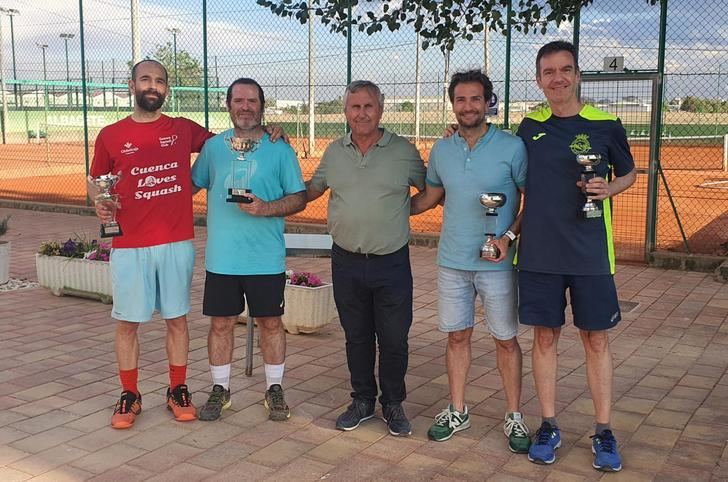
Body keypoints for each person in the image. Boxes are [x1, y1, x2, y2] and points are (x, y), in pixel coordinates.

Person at [516, 41, 636, 471]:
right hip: (538, 253)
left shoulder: (606, 125)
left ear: (578, 75)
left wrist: (609, 189)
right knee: (544, 338)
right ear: (538, 79)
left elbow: (629, 173)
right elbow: (507, 168)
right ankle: (548, 424)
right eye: (549, 72)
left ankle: (604, 430)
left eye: (565, 70)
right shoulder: (529, 127)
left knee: (596, 339)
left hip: (590, 255)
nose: (558, 78)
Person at [410, 70, 530, 451]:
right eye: (460, 100)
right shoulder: (443, 148)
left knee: (506, 340)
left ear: (488, 102)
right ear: (453, 104)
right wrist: (384, 210)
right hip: (452, 261)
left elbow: (532, 199)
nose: (468, 106)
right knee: (457, 336)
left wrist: (509, 238)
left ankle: (514, 416)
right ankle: (458, 410)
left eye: (475, 99)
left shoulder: (512, 147)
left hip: (497, 264)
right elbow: (430, 196)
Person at [91, 60, 213, 429]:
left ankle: (177, 389)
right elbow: (97, 182)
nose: (153, 86)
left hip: (176, 241)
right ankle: (130, 394)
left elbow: (228, 145)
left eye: (160, 80)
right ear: (132, 85)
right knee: (128, 322)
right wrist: (99, 201)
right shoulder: (110, 135)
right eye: (146, 79)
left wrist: (264, 132)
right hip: (129, 245)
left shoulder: (182, 130)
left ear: (167, 90)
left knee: (177, 318)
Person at [306, 80, 425, 436]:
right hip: (346, 260)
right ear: (345, 112)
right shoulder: (333, 152)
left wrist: (401, 210)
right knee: (356, 336)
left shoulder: (403, 151)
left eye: (368, 106)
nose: (362, 113)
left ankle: (393, 403)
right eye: (354, 107)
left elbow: (431, 189)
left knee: (394, 338)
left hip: (391, 262)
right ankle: (361, 399)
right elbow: (313, 190)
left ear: (381, 109)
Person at [192, 78, 306, 422]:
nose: (245, 106)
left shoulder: (280, 149)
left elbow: (299, 198)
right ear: (228, 105)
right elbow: (190, 185)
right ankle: (220, 389)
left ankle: (274, 389)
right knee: (221, 323)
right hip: (223, 258)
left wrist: (264, 208)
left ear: (262, 105)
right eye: (238, 100)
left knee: (272, 322)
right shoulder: (213, 148)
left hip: (264, 258)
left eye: (252, 100)